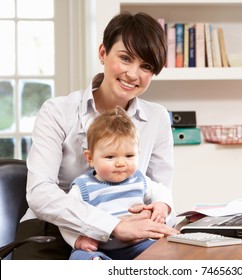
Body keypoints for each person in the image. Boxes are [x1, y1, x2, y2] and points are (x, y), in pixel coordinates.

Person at [13, 11, 177, 260]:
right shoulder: (57, 111)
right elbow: (40, 193)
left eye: (145, 66)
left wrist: (158, 211)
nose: (133, 74)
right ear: (103, 53)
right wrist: (111, 225)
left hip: (128, 232)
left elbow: (160, 188)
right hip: (54, 226)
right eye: (125, 58)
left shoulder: (157, 118)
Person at [59, 107, 175, 260]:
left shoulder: (139, 180)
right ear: (90, 158)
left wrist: (162, 205)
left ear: (138, 153)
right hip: (100, 248)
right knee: (79, 257)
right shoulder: (83, 187)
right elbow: (67, 219)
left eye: (129, 155)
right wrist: (78, 240)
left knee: (166, 248)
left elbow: (161, 191)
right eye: (110, 157)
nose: (121, 163)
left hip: (138, 245)